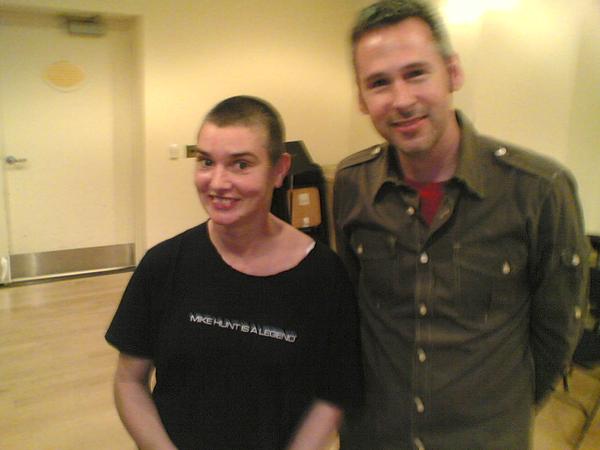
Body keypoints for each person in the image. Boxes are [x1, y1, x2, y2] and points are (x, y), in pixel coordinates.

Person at [333, 1, 590, 449]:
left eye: (416, 73)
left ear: (452, 72)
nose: (402, 100)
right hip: (376, 433)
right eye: (379, 83)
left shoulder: (539, 190)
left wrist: (500, 407)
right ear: (361, 98)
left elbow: (557, 330)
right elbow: (352, 307)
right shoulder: (352, 183)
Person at [106, 95, 361, 450]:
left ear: (279, 169)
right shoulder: (164, 264)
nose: (218, 182)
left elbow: (333, 395)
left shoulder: (323, 275)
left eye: (241, 164)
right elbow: (129, 381)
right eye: (206, 162)